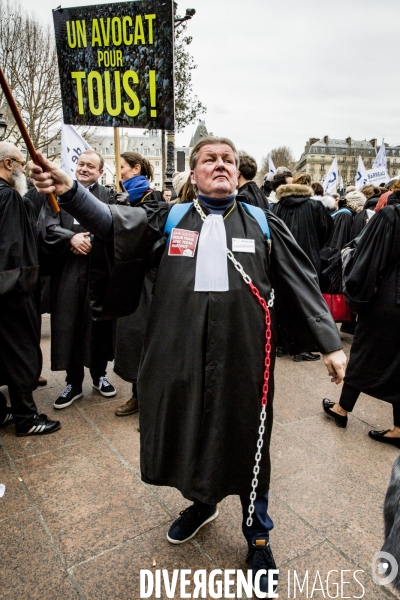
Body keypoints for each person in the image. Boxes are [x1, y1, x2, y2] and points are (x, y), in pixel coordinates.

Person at [29, 137, 346, 596]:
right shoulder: (170, 219)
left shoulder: (262, 223)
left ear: (237, 174)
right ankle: (202, 501)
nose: (220, 166)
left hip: (244, 356)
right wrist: (72, 192)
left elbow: (301, 281)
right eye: (209, 160)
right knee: (192, 426)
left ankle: (257, 534)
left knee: (249, 439)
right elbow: (115, 224)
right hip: (180, 351)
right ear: (193, 174)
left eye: (228, 161)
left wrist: (331, 344)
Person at [323, 190, 400, 447]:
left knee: (364, 351)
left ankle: (342, 409)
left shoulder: (390, 214)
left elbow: (370, 260)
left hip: (388, 298)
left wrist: (357, 297)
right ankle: (399, 428)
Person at [44, 150, 116, 409]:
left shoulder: (108, 195)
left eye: (91, 166)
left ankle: (100, 375)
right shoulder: (56, 194)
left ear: (100, 171)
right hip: (69, 272)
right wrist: (70, 238)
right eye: (81, 164)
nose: (84, 169)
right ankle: (73, 382)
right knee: (69, 324)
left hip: (99, 273)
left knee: (99, 325)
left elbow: (117, 225)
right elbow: (47, 226)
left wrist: (92, 241)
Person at [0, 141, 60, 436]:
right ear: (8, 164)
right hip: (12, 290)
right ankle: (27, 417)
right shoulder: (8, 196)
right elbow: (15, 245)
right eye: (20, 164)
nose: (22, 169)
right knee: (21, 350)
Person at [114, 151, 161, 416]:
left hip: (147, 280)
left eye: (122, 167)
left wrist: (126, 213)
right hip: (128, 278)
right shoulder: (122, 195)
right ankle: (136, 393)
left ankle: (148, 397)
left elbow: (146, 235)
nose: (119, 172)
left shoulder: (150, 198)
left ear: (136, 168)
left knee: (144, 335)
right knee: (131, 338)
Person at [270, 173, 333, 362]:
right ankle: (301, 347)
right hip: (307, 258)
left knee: (281, 299)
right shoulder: (315, 206)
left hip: (280, 260)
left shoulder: (277, 206)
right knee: (305, 301)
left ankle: (281, 343)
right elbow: (327, 230)